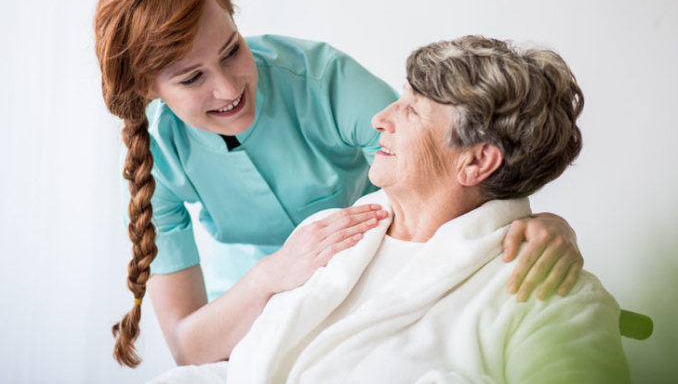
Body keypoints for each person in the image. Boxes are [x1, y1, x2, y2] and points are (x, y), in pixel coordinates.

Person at [94, 0, 584, 368]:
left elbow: (450, 163)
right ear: (147, 89)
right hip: (248, 321)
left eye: (231, 51)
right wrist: (274, 275)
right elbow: (189, 345)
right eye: (191, 78)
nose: (228, 88)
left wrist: (539, 220)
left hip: (370, 289)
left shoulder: (324, 81)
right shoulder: (156, 166)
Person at [223, 36, 629, 383]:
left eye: (413, 109)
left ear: (475, 162)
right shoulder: (321, 238)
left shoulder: (549, 297)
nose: (379, 118)